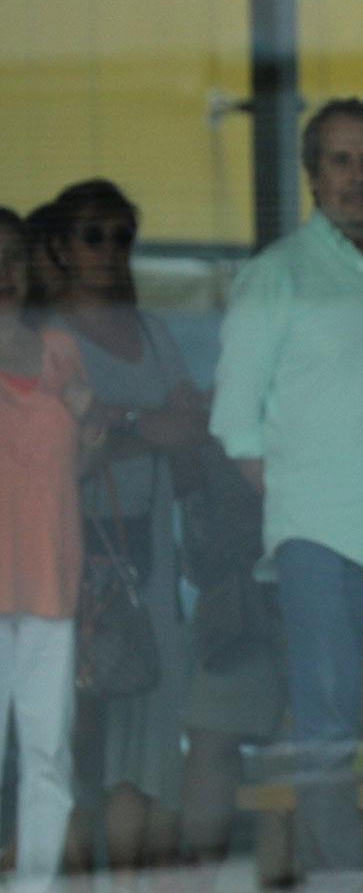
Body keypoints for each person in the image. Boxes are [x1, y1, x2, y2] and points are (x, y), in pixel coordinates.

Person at [210, 98, 363, 882]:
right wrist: (310, 498)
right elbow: (236, 429)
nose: (357, 177)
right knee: (323, 733)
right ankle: (335, 882)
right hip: (320, 543)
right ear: (313, 176)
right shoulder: (277, 274)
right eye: (339, 162)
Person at [46, 179, 202, 873]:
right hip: (70, 562)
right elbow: (55, 457)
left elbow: (192, 433)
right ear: (59, 249)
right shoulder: (45, 340)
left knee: (146, 752)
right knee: (72, 750)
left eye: (120, 237)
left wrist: (119, 425)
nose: (109, 251)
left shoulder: (154, 333)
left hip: (152, 561)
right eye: (92, 236)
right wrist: (148, 427)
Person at [0, 207, 94, 893]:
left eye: (12, 256)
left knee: (48, 756)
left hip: (48, 583)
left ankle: (33, 887)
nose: (3, 272)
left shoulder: (61, 351)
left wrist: (91, 421)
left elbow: (81, 462)